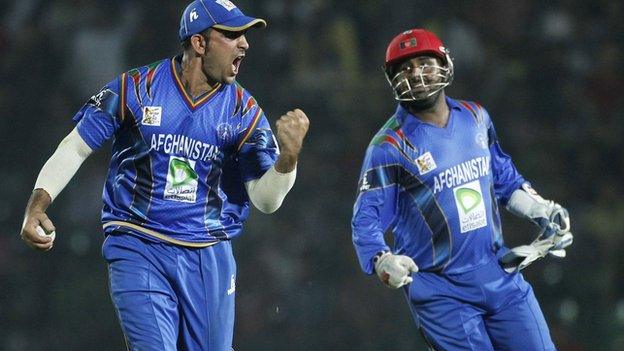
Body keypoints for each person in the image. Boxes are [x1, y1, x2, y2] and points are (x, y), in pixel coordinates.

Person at [20, 1, 309, 350]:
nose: (244, 44)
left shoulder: (244, 112)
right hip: (138, 243)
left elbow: (266, 201)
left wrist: (287, 161)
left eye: (245, 35)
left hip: (208, 254)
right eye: (232, 35)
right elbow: (76, 146)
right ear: (199, 43)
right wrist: (38, 203)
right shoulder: (135, 89)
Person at [351, 28, 572, 350]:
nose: (416, 74)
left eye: (424, 62)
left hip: (500, 273)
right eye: (405, 68)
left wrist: (541, 209)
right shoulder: (388, 146)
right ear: (392, 78)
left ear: (444, 64)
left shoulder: (475, 116)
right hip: (441, 291)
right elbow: (365, 220)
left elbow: (504, 179)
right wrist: (382, 260)